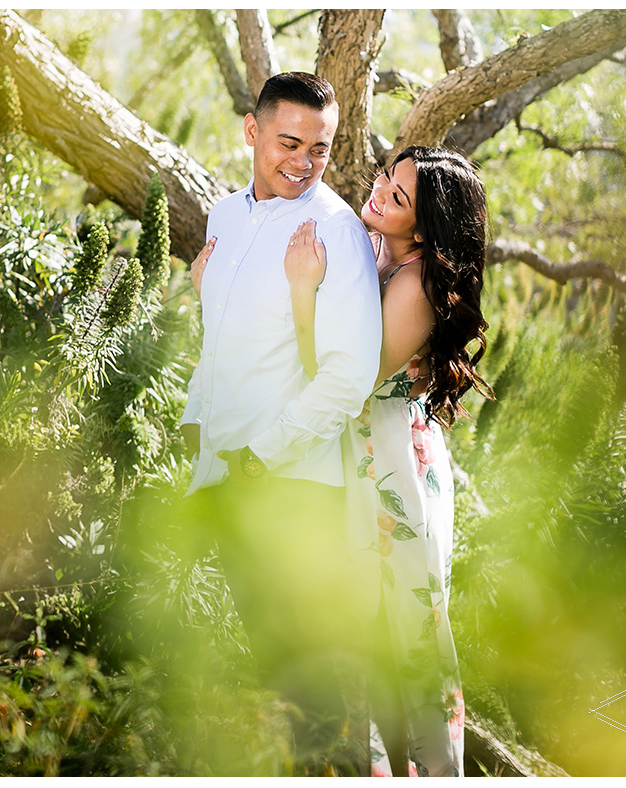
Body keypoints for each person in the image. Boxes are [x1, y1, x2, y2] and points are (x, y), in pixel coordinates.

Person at [192, 146, 492, 776]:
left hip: (387, 470)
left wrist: (305, 291)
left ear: (425, 225)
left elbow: (342, 375)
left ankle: (420, 772)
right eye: (386, 174)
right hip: (349, 451)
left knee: (400, 632)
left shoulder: (415, 286)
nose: (380, 190)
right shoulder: (372, 243)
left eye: (399, 196)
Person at [179, 71, 383, 771]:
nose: (302, 162)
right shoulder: (223, 219)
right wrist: (196, 427)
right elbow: (225, 344)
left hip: (290, 484)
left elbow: (348, 375)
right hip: (225, 477)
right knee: (266, 679)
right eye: (289, 143)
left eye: (319, 149)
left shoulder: (335, 229)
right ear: (251, 130)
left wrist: (262, 458)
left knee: (310, 686)